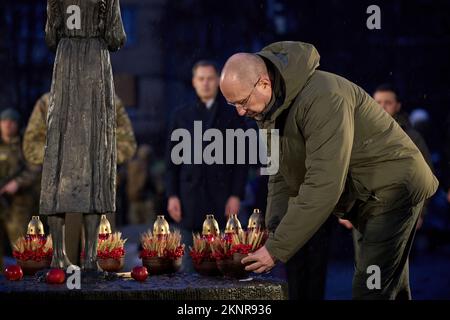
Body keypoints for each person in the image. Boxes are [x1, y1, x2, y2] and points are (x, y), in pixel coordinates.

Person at [219, 41, 438, 300]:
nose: (241, 111)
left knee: (372, 287)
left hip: (393, 188)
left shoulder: (323, 97)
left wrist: (276, 248)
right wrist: (274, 232)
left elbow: (323, 183)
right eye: (233, 104)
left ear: (264, 83)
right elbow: (280, 174)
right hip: (369, 193)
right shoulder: (267, 110)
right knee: (389, 287)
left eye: (242, 102)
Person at [40, 0, 126, 270]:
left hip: (65, 66)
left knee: (59, 150)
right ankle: (90, 258)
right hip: (93, 70)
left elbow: (50, 38)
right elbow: (115, 37)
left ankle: (58, 256)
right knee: (95, 156)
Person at [22, 92, 136, 265]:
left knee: (103, 260)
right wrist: (60, 158)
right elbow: (31, 145)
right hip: (63, 190)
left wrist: (102, 158)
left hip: (99, 188)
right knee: (66, 264)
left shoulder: (108, 99)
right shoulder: (49, 101)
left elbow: (127, 143)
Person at [166, 60, 248, 232]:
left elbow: (241, 161)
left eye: (210, 78)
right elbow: (172, 162)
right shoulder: (180, 116)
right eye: (201, 78)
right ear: (194, 81)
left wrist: (236, 195)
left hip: (222, 197)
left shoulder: (232, 116)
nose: (205, 83)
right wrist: (172, 195)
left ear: (218, 80)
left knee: (221, 256)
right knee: (189, 255)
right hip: (189, 199)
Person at [0, 108, 40, 271]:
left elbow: (35, 167)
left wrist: (18, 183)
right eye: (4, 121)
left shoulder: (25, 146)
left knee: (22, 248)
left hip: (18, 205)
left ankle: (25, 281)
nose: (8, 125)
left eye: (12, 121)